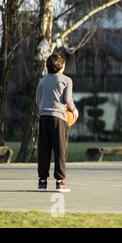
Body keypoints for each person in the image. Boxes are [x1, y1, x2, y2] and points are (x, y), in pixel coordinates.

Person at [36, 53, 78, 192]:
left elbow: (38, 100)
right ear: (62, 66)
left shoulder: (42, 81)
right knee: (60, 150)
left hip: (43, 117)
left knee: (44, 149)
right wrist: (74, 110)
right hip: (58, 117)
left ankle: (42, 182)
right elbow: (67, 99)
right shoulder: (66, 80)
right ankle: (60, 182)